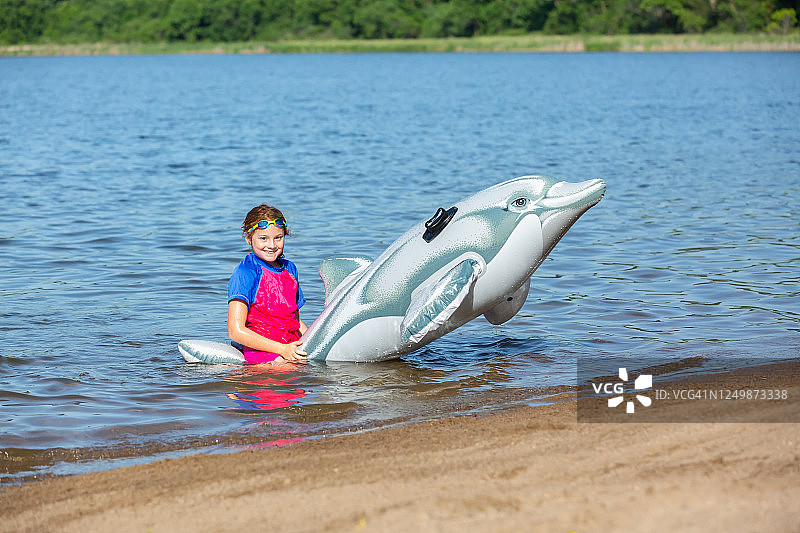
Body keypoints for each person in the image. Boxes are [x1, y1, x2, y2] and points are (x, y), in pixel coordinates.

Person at [227, 205, 308, 365]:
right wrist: (282, 350)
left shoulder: (290, 269)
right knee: (288, 372)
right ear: (249, 239)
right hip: (262, 347)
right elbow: (235, 331)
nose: (271, 245)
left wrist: (315, 340)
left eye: (278, 238)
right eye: (263, 238)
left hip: (290, 342)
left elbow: (295, 320)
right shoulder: (246, 272)